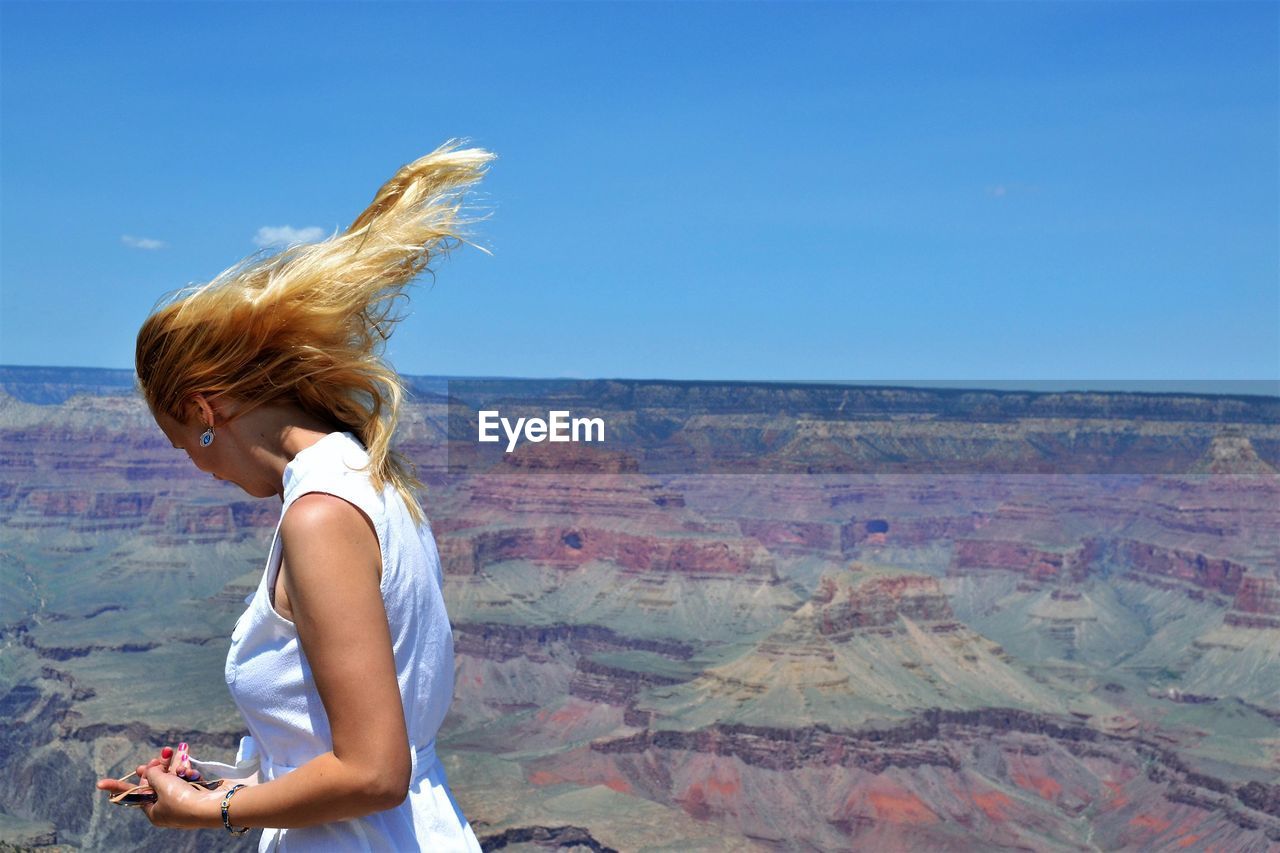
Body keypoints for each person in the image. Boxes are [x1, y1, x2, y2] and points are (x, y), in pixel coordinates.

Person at [95, 138, 495, 851]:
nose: (196, 467)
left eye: (184, 443)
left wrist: (206, 813)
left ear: (205, 408)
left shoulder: (319, 517)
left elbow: (374, 772)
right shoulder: (368, 472)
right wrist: (222, 784)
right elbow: (344, 747)